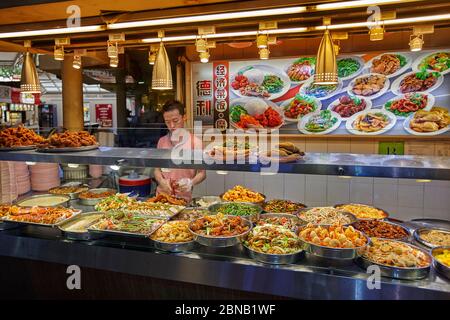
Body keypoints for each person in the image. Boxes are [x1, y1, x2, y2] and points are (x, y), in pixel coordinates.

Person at [154, 100, 206, 202]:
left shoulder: (195, 142)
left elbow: (202, 174)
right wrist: (161, 181)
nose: (172, 126)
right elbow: (157, 169)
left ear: (184, 117)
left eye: (175, 120)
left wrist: (190, 183)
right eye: (167, 122)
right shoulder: (162, 141)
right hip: (161, 197)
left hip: (183, 199)